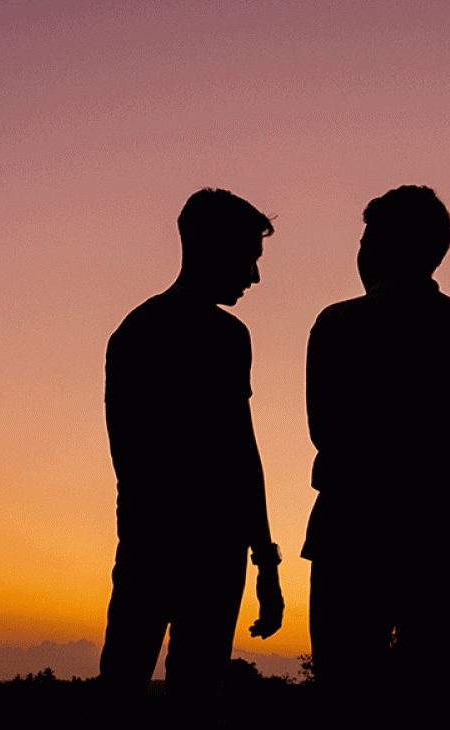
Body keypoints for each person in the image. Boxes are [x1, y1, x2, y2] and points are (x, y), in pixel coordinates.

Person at [301, 185, 450, 717]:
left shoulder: (339, 325)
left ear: (385, 247)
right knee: (440, 694)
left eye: (368, 239)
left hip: (354, 532)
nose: (360, 252)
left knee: (345, 694)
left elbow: (326, 429)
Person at [100, 188, 284, 709]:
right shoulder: (224, 337)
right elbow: (239, 453)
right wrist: (264, 561)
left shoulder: (135, 331)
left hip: (152, 540)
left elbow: (132, 459)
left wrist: (261, 560)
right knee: (188, 697)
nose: (254, 276)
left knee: (125, 686)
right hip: (195, 547)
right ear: (212, 249)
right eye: (249, 257)